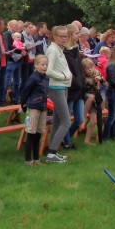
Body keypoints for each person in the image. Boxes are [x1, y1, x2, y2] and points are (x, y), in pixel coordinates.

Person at [45, 25, 72, 162]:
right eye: (61, 36)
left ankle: (52, 152)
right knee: (66, 121)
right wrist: (62, 76)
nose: (64, 38)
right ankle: (52, 152)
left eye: (65, 36)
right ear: (54, 36)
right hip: (56, 88)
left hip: (63, 87)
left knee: (57, 120)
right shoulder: (52, 50)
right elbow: (48, 70)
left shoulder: (60, 50)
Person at [20, 54, 49, 165]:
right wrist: (23, 105)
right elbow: (25, 92)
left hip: (43, 107)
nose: (45, 67)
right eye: (42, 65)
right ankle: (28, 159)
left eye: (46, 65)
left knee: (38, 133)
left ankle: (36, 158)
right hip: (33, 108)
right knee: (31, 133)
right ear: (36, 65)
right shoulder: (33, 78)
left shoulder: (45, 78)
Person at [62, 23, 85, 150]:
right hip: (71, 89)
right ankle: (67, 142)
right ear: (70, 35)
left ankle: (66, 137)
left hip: (80, 88)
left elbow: (79, 68)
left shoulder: (76, 49)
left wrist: (82, 82)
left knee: (80, 118)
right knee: (66, 117)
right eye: (77, 33)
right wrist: (76, 82)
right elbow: (69, 70)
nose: (79, 35)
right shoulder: (64, 52)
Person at [81, 57, 102, 145]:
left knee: (94, 121)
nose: (89, 70)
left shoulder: (96, 74)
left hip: (93, 101)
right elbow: (87, 83)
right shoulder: (82, 77)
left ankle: (87, 140)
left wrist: (101, 79)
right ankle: (83, 118)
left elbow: (106, 84)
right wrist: (93, 80)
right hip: (85, 97)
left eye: (91, 67)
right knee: (91, 97)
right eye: (87, 68)